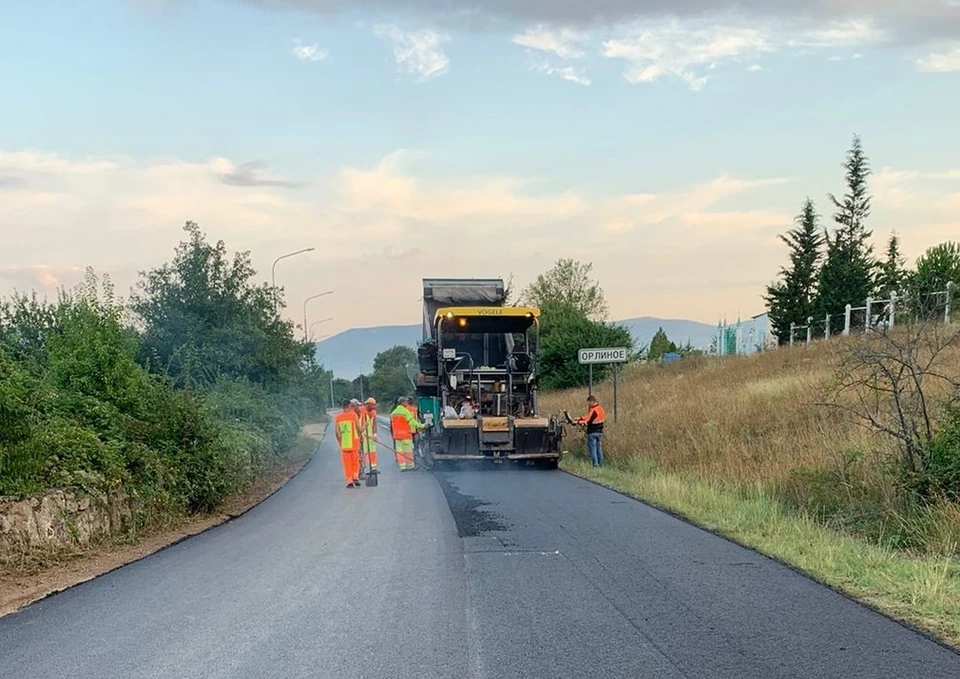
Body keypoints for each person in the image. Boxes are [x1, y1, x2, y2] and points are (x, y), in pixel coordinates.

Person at [391, 396, 424, 471]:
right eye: (405, 401)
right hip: (406, 435)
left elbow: (392, 425)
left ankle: (402, 467)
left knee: (400, 451)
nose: (407, 403)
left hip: (397, 436)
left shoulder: (394, 412)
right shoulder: (405, 412)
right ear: (402, 402)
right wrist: (423, 425)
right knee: (408, 451)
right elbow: (413, 422)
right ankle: (410, 466)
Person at [334, 399, 362, 487]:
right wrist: (366, 426)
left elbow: (337, 433)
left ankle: (349, 481)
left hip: (344, 445)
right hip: (354, 443)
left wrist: (340, 442)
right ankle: (355, 477)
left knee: (347, 464)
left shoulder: (338, 418)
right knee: (355, 462)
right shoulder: (353, 415)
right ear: (349, 406)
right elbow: (359, 429)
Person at [576, 395, 605, 468]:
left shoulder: (593, 410)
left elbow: (588, 421)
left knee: (593, 449)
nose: (588, 405)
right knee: (599, 448)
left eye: (589, 403)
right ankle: (601, 464)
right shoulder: (601, 409)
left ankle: (595, 465)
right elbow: (588, 417)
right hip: (600, 432)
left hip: (592, 432)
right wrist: (580, 418)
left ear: (592, 401)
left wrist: (578, 422)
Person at [360, 397, 379, 473]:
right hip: (363, 435)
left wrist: (375, 434)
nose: (374, 407)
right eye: (373, 405)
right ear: (368, 404)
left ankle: (373, 467)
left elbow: (374, 424)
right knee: (363, 452)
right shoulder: (361, 411)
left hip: (370, 436)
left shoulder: (373, 412)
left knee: (372, 451)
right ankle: (363, 468)